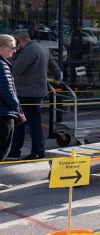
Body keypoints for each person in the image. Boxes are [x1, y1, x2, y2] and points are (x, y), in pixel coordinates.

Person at [8, 29, 61, 161]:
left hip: (27, 92)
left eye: (15, 42)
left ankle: (34, 151)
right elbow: (54, 66)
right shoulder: (42, 47)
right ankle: (19, 151)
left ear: (21, 40)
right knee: (28, 122)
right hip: (35, 92)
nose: (13, 47)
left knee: (26, 123)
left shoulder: (29, 51)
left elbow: (15, 69)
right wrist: (58, 77)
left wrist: (12, 56)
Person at [0, 35, 21, 162]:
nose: (14, 51)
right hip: (4, 114)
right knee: (3, 149)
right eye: (12, 48)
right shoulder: (2, 65)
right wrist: (16, 106)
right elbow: (7, 91)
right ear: (2, 48)